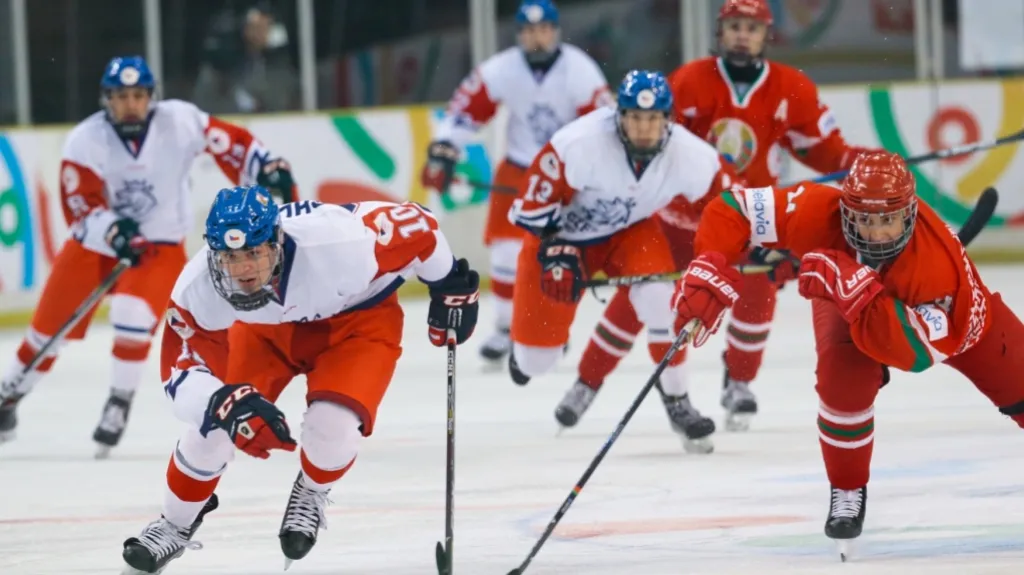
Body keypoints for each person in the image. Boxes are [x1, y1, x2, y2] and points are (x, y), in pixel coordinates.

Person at [672, 151, 1024, 556]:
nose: (875, 234)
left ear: (908, 214)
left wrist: (851, 283)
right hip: (845, 294)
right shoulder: (817, 209)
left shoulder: (939, 268)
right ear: (845, 208)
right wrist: (710, 265)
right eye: (864, 220)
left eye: (887, 220)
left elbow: (909, 353)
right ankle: (847, 487)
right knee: (842, 382)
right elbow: (732, 209)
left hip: (959, 328)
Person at [119, 187, 480, 573]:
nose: (242, 271)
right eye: (229, 257)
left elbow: (420, 227)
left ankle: (311, 490)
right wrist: (223, 403)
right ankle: (174, 525)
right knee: (211, 429)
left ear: (277, 243)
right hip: (264, 331)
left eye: (253, 253)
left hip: (357, 324)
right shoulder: (198, 287)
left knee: (334, 430)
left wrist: (447, 284)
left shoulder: (341, 243)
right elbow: (178, 373)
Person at [560, 0, 877, 433]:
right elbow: (652, 142)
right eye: (733, 26)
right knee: (636, 300)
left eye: (751, 27)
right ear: (720, 32)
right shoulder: (689, 81)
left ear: (767, 34)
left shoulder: (791, 87)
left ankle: (739, 382)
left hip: (752, 218)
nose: (742, 34)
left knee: (756, 297)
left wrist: (871, 164)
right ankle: (587, 381)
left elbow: (828, 152)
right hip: (677, 218)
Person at [0, 56, 297, 457]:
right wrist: (112, 230)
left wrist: (265, 166)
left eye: (138, 95)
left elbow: (232, 143)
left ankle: (118, 402)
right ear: (108, 99)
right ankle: (9, 396)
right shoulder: (85, 140)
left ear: (151, 96)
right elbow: (79, 204)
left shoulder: (180, 120)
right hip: (96, 245)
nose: (131, 104)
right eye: (121, 96)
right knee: (44, 334)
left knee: (133, 316)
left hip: (159, 245)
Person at [506, 69, 736, 453]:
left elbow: (734, 206)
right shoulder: (576, 143)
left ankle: (678, 401)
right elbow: (533, 205)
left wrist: (765, 243)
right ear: (619, 117)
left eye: (653, 119)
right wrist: (553, 246)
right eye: (635, 118)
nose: (644, 128)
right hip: (561, 240)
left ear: (668, 119)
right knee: (535, 364)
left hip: (629, 234)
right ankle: (530, 354)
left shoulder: (693, 155)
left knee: (665, 305)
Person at [421, 0, 612, 364]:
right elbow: (465, 111)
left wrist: (595, 172)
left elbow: (601, 123)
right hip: (520, 167)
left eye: (542, 30)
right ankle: (506, 327)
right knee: (507, 251)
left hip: (565, 172)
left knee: (561, 254)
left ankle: (548, 328)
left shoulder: (580, 69)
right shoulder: (503, 68)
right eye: (528, 31)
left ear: (554, 31)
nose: (536, 38)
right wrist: (446, 147)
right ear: (520, 34)